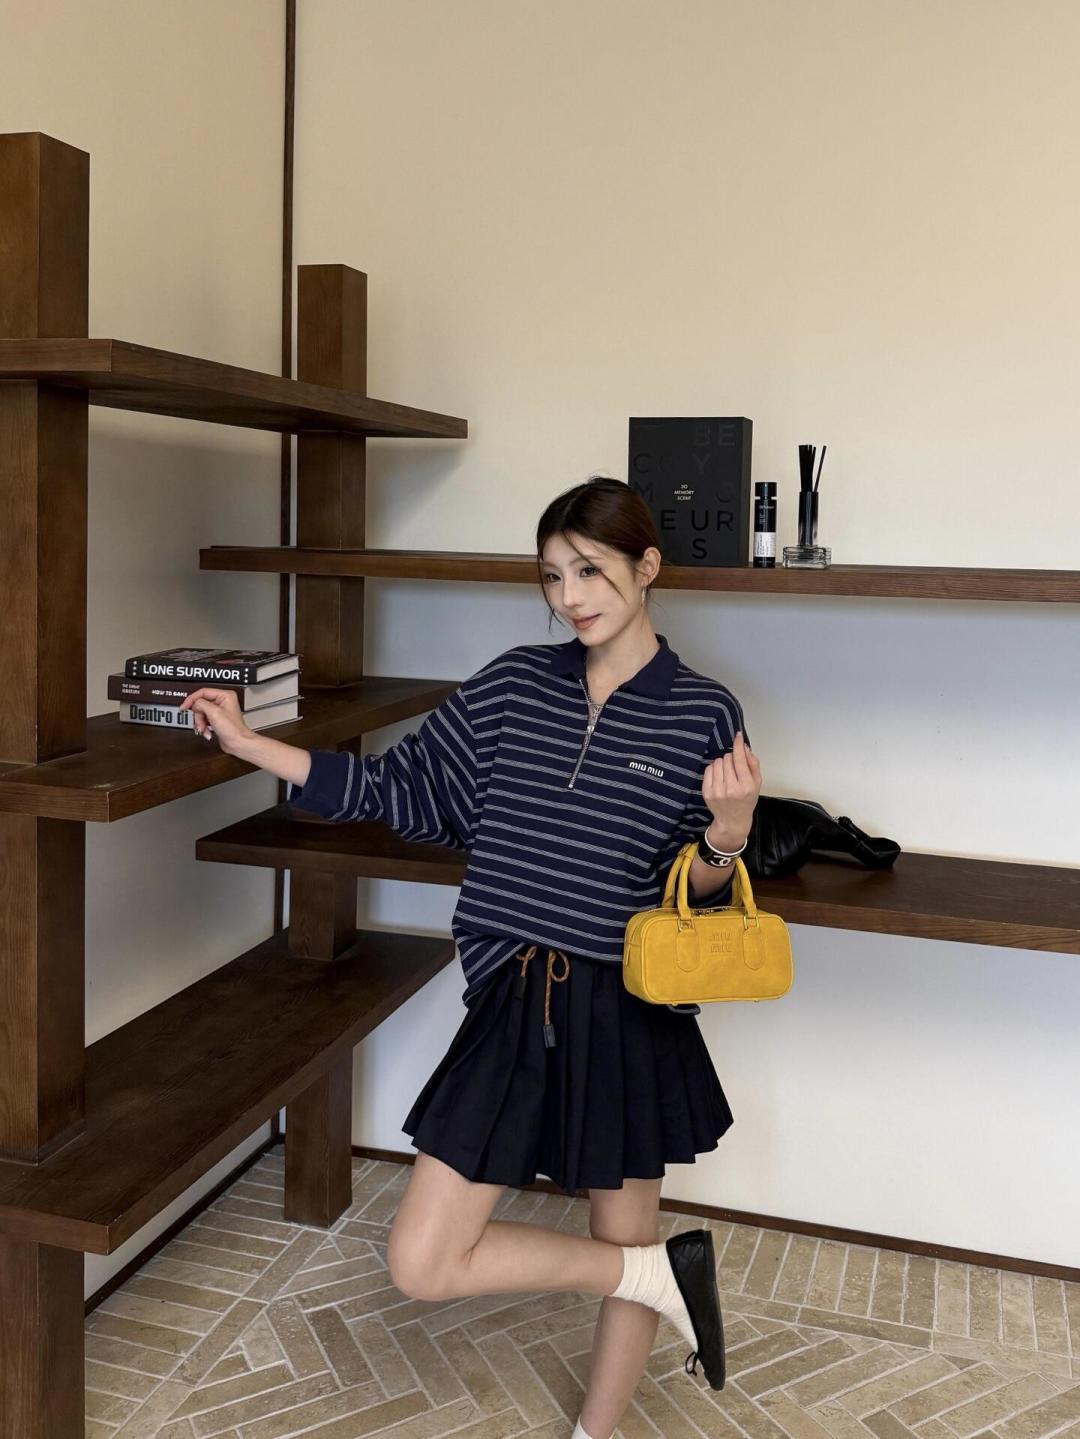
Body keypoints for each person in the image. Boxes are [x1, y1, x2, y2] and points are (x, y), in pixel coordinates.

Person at [180, 475, 762, 1438]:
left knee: (623, 1225)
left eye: (590, 570)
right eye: (552, 576)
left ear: (647, 566)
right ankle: (665, 1273)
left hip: (629, 1006)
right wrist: (254, 746)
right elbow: (395, 787)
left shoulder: (702, 710)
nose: (569, 597)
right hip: (515, 996)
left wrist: (728, 838)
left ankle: (595, 1429)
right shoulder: (511, 686)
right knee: (424, 1259)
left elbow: (687, 896)